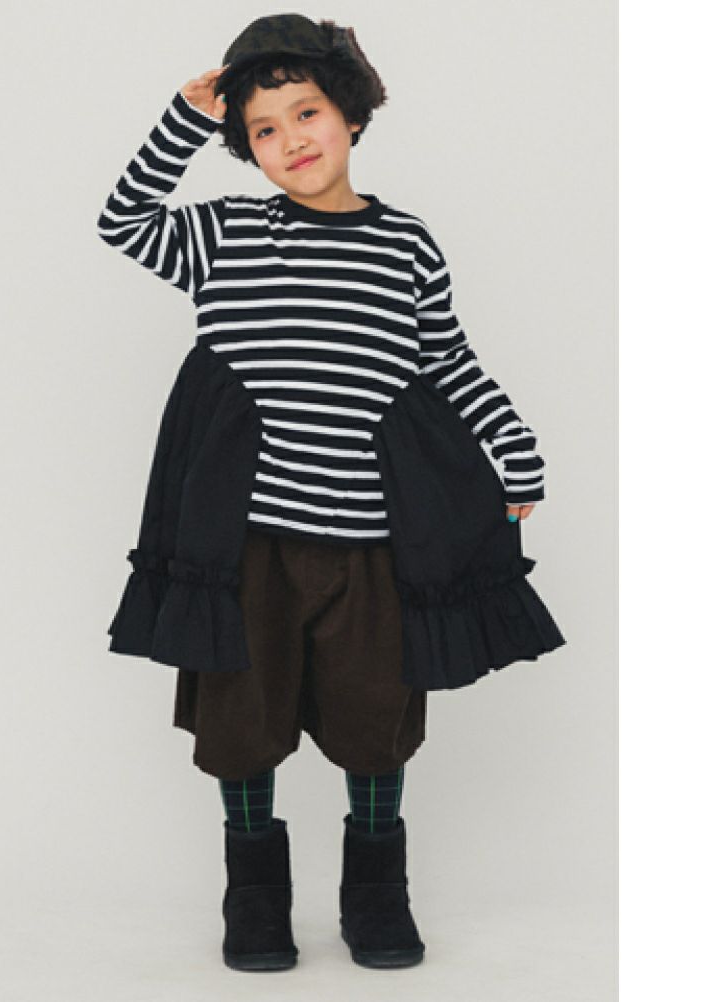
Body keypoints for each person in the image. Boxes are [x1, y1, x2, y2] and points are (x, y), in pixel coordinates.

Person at [96, 13, 566, 973]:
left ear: (349, 114)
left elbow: (450, 364)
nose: (291, 139)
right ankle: (255, 899)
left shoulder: (406, 247)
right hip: (247, 544)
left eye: (306, 112)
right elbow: (123, 219)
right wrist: (185, 119)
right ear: (245, 147)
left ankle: (376, 897)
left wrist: (516, 452)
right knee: (241, 720)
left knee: (375, 719)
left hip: (371, 543)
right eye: (263, 129)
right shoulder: (224, 234)